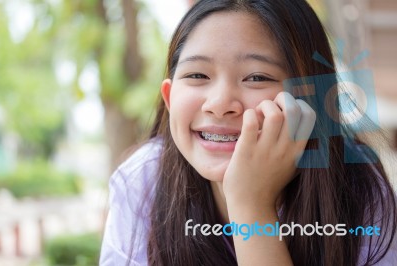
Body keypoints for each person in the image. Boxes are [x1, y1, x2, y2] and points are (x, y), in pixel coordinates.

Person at [99, 0, 397, 265]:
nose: (219, 105)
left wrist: (250, 203)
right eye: (197, 75)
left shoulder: (359, 190)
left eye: (257, 77)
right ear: (169, 97)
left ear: (311, 100)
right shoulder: (143, 183)